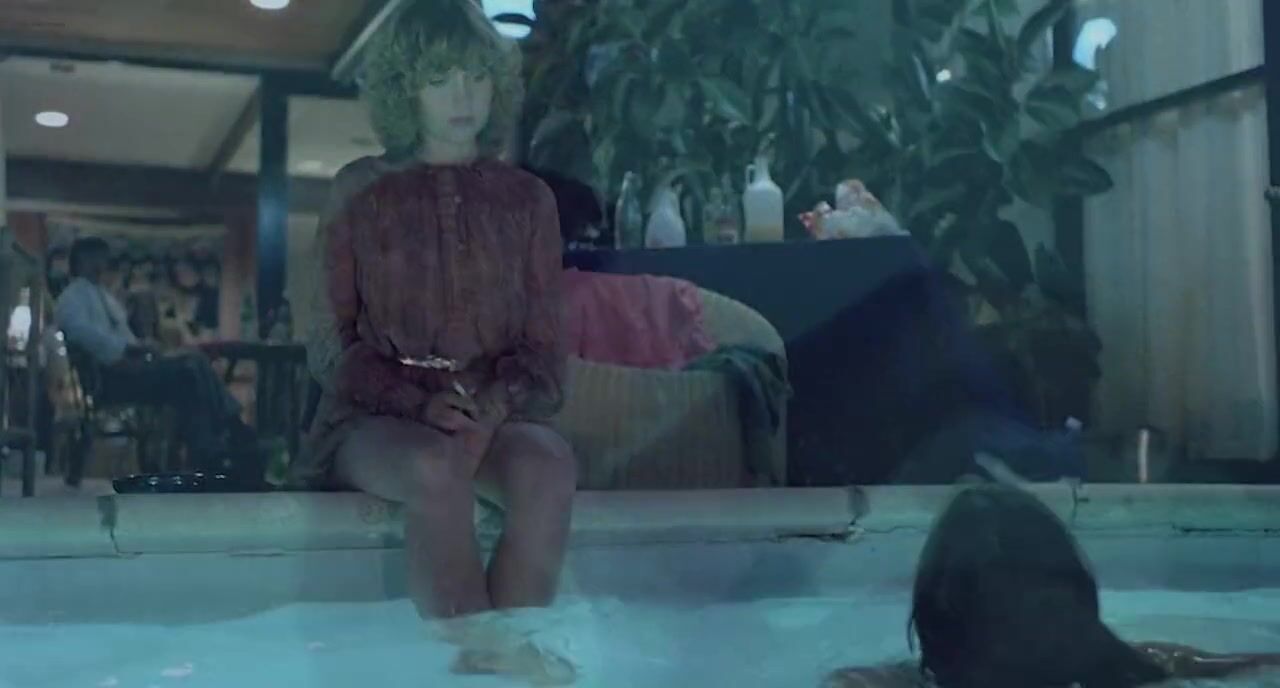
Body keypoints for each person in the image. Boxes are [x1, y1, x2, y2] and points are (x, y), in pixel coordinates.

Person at [294, 0, 575, 633]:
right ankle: (480, 658)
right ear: (405, 88)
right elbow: (329, 344)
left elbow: (547, 349)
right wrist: (419, 403)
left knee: (549, 466)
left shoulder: (528, 199)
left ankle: (513, 648)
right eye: (439, 78)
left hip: (492, 414)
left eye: (476, 76)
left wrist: (493, 406)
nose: (462, 96)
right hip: (373, 420)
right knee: (434, 466)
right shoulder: (359, 189)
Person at [825, 484, 1280, 688]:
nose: (1048, 633)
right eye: (1022, 614)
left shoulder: (1121, 662)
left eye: (1056, 611)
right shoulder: (878, 685)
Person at [54, 237, 254, 477]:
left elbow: (123, 336)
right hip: (109, 377)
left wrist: (141, 347)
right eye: (97, 258)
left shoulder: (102, 295)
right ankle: (227, 434)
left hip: (129, 368)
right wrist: (125, 349)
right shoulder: (72, 297)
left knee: (192, 368)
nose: (103, 264)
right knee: (189, 368)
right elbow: (81, 332)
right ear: (83, 260)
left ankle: (213, 446)